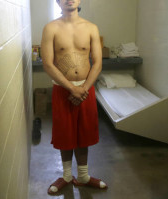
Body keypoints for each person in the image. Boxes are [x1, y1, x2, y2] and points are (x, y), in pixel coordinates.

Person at [41, 0, 107, 195]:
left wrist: (83, 88)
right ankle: (67, 176)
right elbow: (48, 64)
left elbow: (97, 63)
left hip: (86, 89)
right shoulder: (50, 28)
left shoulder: (91, 28)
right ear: (57, 1)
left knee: (84, 133)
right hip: (62, 89)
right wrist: (71, 88)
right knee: (65, 133)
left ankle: (84, 176)